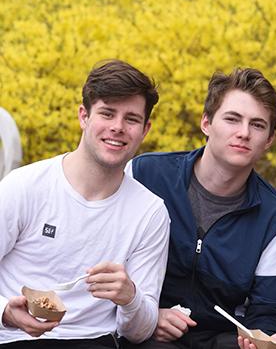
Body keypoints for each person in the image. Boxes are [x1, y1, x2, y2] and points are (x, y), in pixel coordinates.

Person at [0, 59, 171, 348]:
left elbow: (140, 331)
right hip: (15, 339)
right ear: (84, 116)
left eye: (131, 119)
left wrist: (130, 296)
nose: (117, 127)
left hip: (96, 341)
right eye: (107, 113)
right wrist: (5, 311)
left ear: (145, 130)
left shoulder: (150, 212)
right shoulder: (24, 186)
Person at [126, 68, 276, 349]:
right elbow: (109, 261)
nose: (243, 133)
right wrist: (145, 317)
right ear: (206, 122)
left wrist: (268, 336)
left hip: (223, 340)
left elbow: (268, 309)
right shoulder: (145, 174)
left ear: (269, 139)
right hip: (144, 335)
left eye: (257, 125)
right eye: (232, 119)